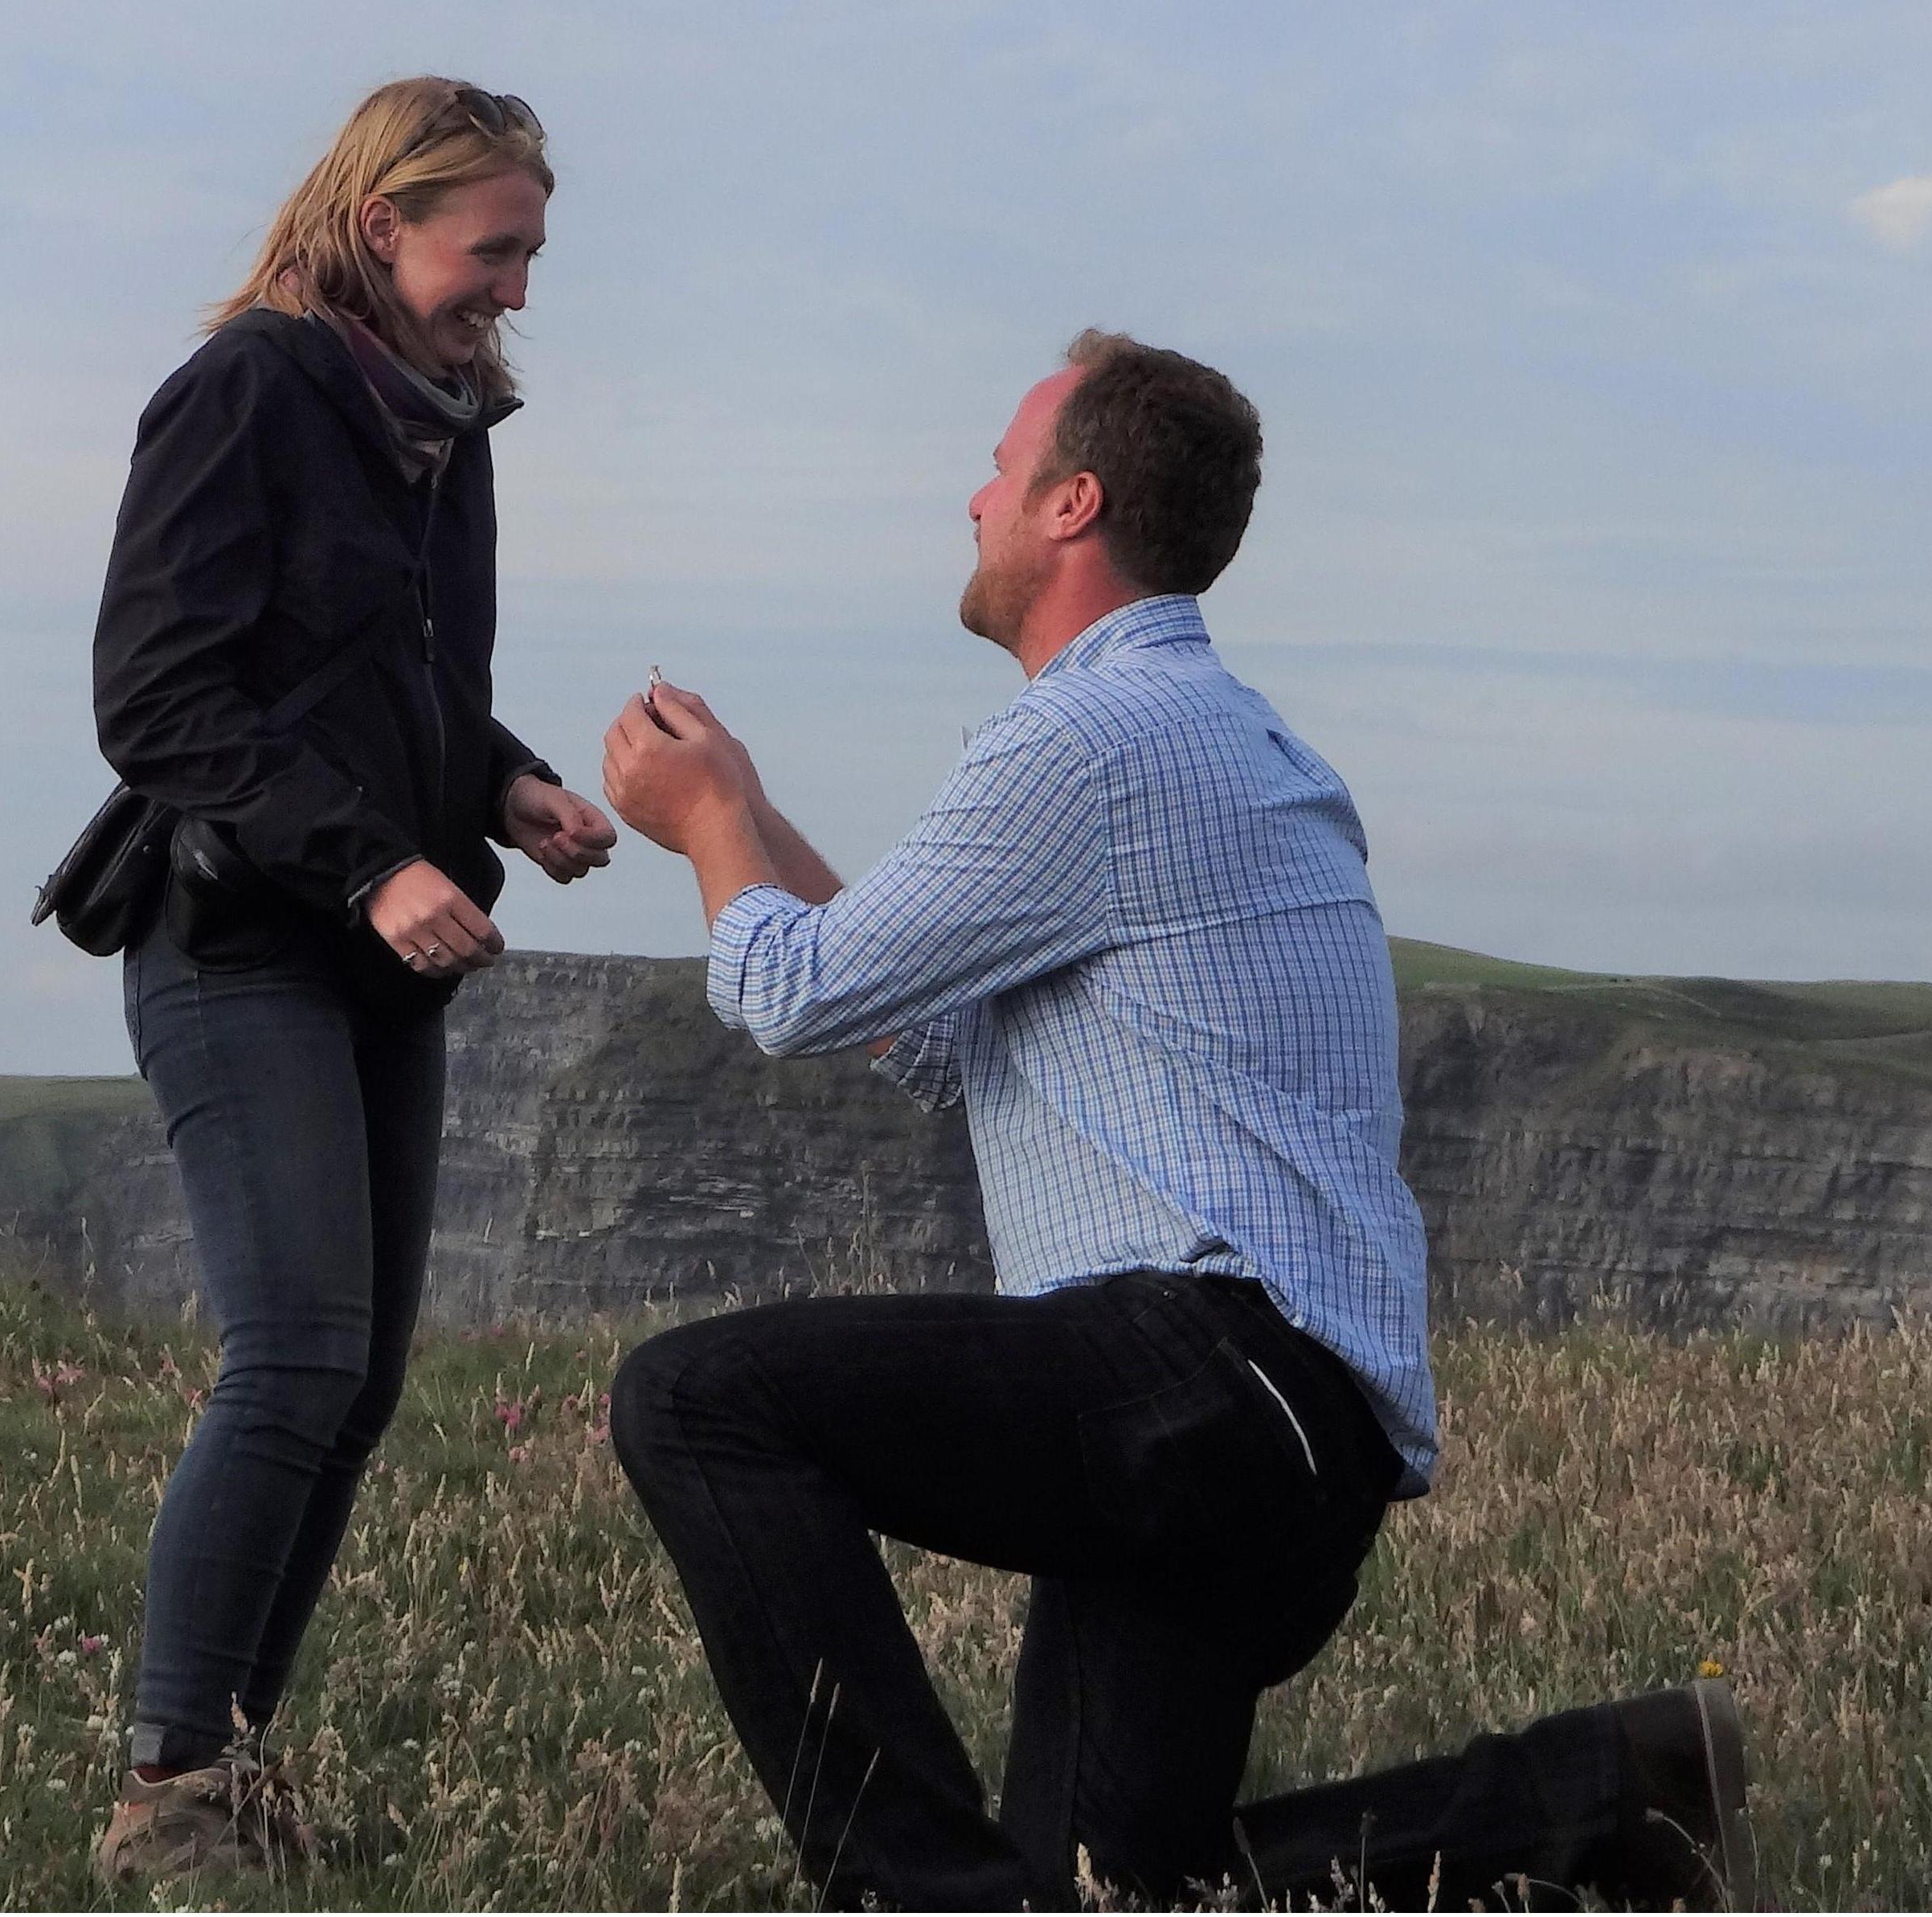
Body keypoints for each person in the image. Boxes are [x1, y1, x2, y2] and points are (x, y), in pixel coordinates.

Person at [600, 331, 1754, 1912]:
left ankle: (911, 1898)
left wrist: (708, 823)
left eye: (999, 472)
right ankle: (1616, 1792)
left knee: (697, 1399)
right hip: (1284, 1436)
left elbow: (793, 994)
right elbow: (923, 1031)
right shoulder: (1213, 735)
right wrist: (741, 801)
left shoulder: (1085, 740)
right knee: (1111, 1889)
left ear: (1070, 503)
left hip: (1204, 1373)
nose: (973, 499)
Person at [88, 78, 616, 1883]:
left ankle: (230, 1759)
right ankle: (167, 1802)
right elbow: (159, 699)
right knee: (296, 1348)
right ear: (383, 224)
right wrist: (374, 856)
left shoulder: (442, 424)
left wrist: (498, 782)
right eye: (496, 248)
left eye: (532, 250)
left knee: (362, 1379)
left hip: (376, 941)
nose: (518, 289)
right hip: (243, 940)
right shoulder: (246, 388)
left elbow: (377, 677)